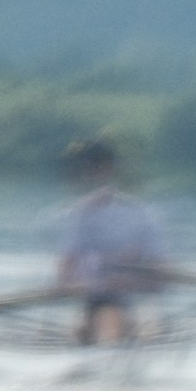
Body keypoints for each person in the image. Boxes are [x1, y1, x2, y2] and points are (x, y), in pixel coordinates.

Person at [54, 137, 170, 345]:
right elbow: (65, 275)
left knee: (118, 317)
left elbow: (160, 276)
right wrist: (90, 284)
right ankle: (104, 343)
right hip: (96, 299)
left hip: (132, 299)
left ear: (108, 170)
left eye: (93, 169)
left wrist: (130, 281)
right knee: (105, 317)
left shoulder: (142, 214)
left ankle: (111, 343)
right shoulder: (80, 215)